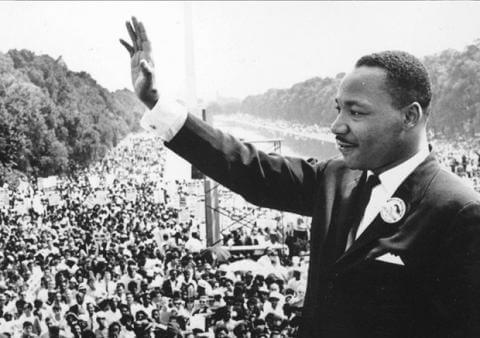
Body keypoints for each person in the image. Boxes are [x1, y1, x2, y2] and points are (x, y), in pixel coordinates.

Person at [120, 17, 480, 338]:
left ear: (410, 116)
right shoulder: (336, 177)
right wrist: (156, 102)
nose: (337, 126)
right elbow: (248, 168)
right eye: (339, 108)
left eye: (356, 112)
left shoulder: (459, 211)